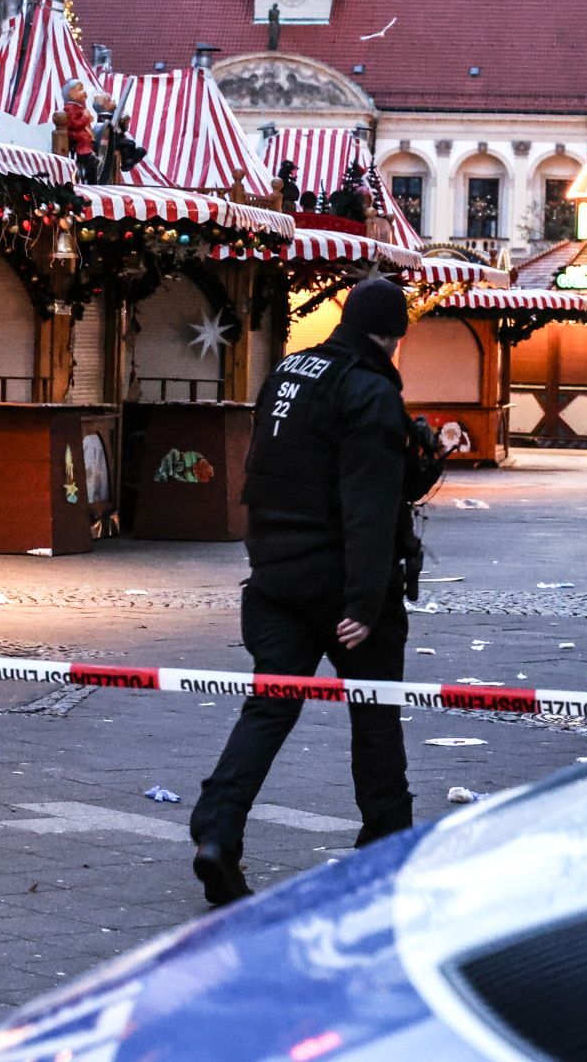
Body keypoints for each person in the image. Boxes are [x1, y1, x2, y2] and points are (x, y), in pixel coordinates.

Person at [188, 277, 418, 906]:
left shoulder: (291, 370)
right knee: (375, 711)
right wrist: (366, 602)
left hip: (275, 577)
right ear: (394, 335)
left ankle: (216, 831)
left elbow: (266, 468)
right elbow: (370, 508)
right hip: (340, 584)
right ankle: (388, 844)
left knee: (270, 706)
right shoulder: (368, 390)